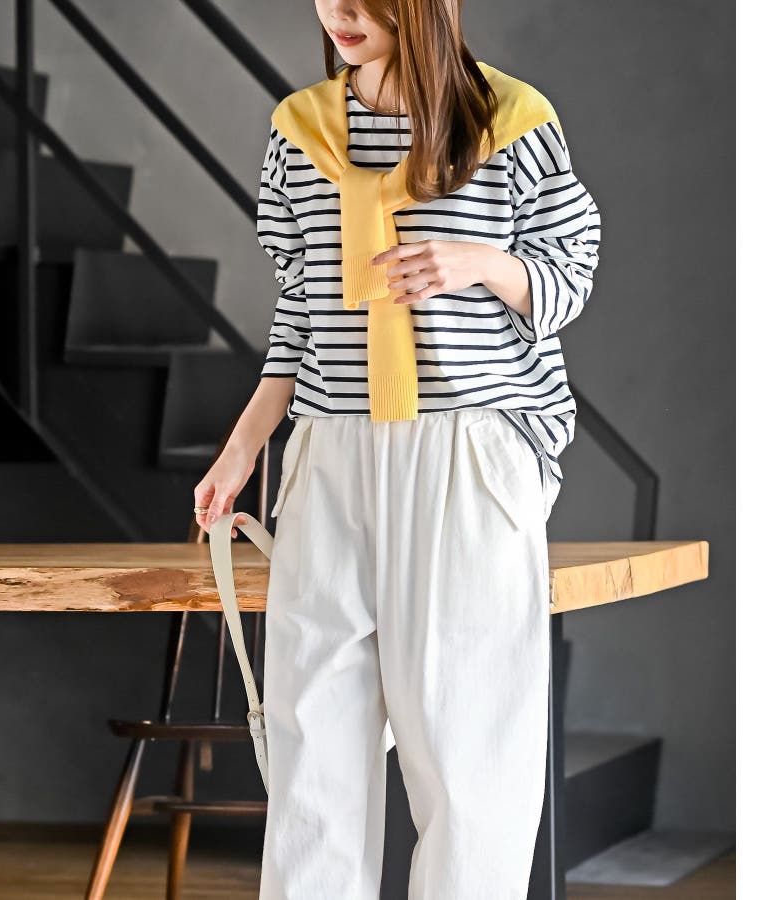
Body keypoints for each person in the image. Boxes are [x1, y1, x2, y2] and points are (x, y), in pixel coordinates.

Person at [193, 1, 601, 896]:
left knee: (467, 749)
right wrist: (245, 445)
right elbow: (301, 305)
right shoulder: (299, 129)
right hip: (330, 451)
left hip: (467, 450)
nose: (339, 12)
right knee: (312, 741)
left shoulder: (512, 120)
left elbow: (568, 276)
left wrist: (479, 262)